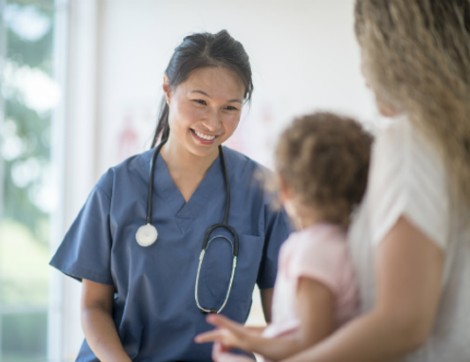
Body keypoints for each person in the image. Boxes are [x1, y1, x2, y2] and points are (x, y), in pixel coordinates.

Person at [49, 29, 291, 362]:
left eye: (230, 108)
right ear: (168, 89)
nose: (213, 122)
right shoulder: (117, 186)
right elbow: (93, 307)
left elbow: (283, 321)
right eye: (200, 102)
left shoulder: (263, 192)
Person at [279, 1, 470, 361]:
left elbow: (403, 322)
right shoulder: (452, 140)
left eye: (364, 47)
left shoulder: (412, 139)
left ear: (393, 48)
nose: (364, 73)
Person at [195, 112, 373, 361]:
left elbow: (311, 346)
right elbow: (302, 331)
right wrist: (248, 337)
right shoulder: (346, 242)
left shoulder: (312, 252)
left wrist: (246, 352)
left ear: (284, 186)